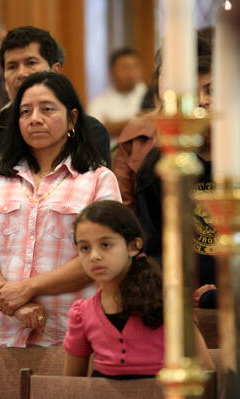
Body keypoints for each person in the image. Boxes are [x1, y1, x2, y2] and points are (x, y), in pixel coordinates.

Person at [0, 72, 121, 347]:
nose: (34, 118)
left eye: (47, 109)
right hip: (1, 337)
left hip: (73, 338)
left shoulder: (98, 180)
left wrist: (29, 288)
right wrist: (12, 304)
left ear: (72, 118)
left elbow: (104, 254)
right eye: (25, 111)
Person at [0, 26, 111, 307]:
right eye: (11, 66)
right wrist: (7, 294)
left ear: (56, 70)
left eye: (31, 62)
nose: (21, 73)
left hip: (73, 296)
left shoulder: (90, 132)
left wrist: (29, 288)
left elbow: (99, 232)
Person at [113, 49, 217, 308]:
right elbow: (152, 246)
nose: (202, 101)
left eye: (212, 90)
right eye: (192, 94)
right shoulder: (158, 166)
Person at [63, 200, 214, 378]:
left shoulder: (169, 305)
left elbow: (207, 373)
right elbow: (71, 386)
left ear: (134, 246)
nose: (94, 256)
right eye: (85, 248)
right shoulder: (82, 313)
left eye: (105, 245)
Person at [87, 48, 148, 148]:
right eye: (125, 67)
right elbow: (96, 132)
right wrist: (140, 121)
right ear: (112, 71)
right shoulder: (98, 102)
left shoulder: (150, 96)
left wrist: (113, 126)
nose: (130, 73)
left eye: (135, 67)